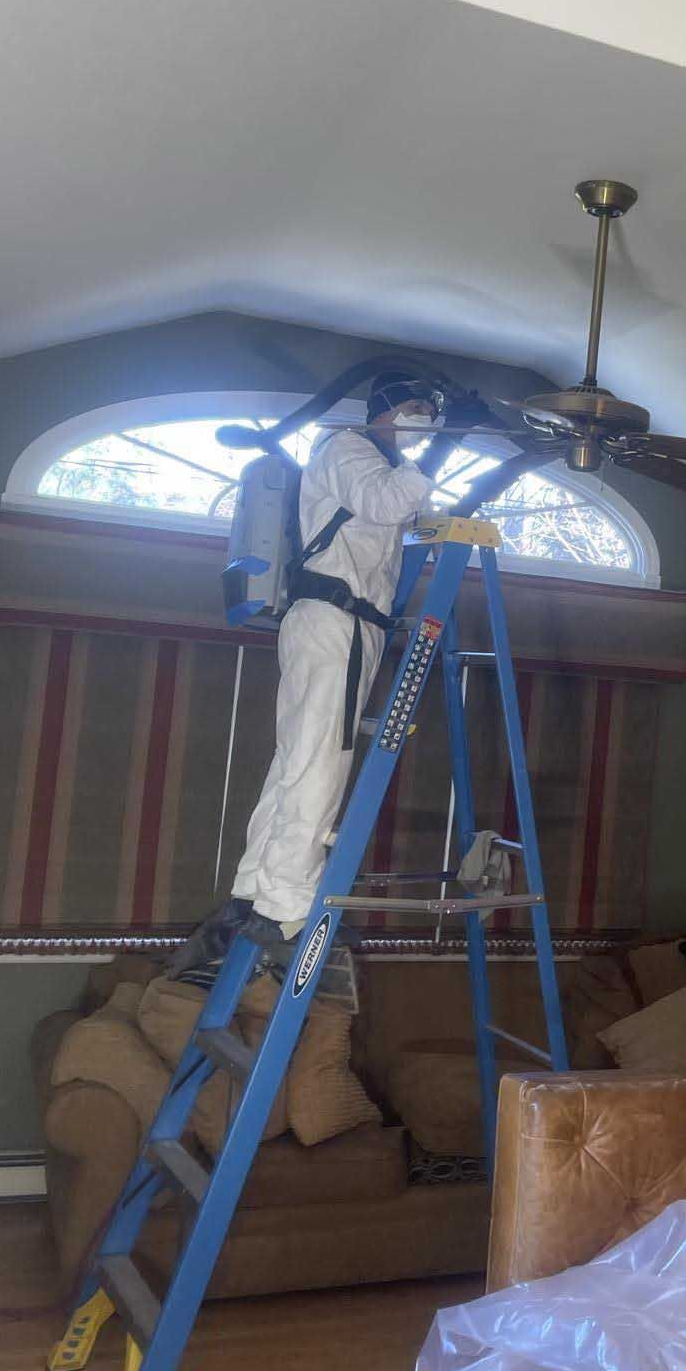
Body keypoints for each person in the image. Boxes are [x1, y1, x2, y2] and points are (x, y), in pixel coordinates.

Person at [173, 371, 443, 1003]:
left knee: (297, 759)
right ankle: (288, 910)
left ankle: (255, 894)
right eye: (414, 409)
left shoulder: (371, 467)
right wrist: (437, 452)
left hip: (343, 624)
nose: (422, 419)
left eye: (430, 413)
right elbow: (387, 504)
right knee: (321, 761)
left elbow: (401, 514)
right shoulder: (350, 449)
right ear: (382, 411)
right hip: (336, 622)